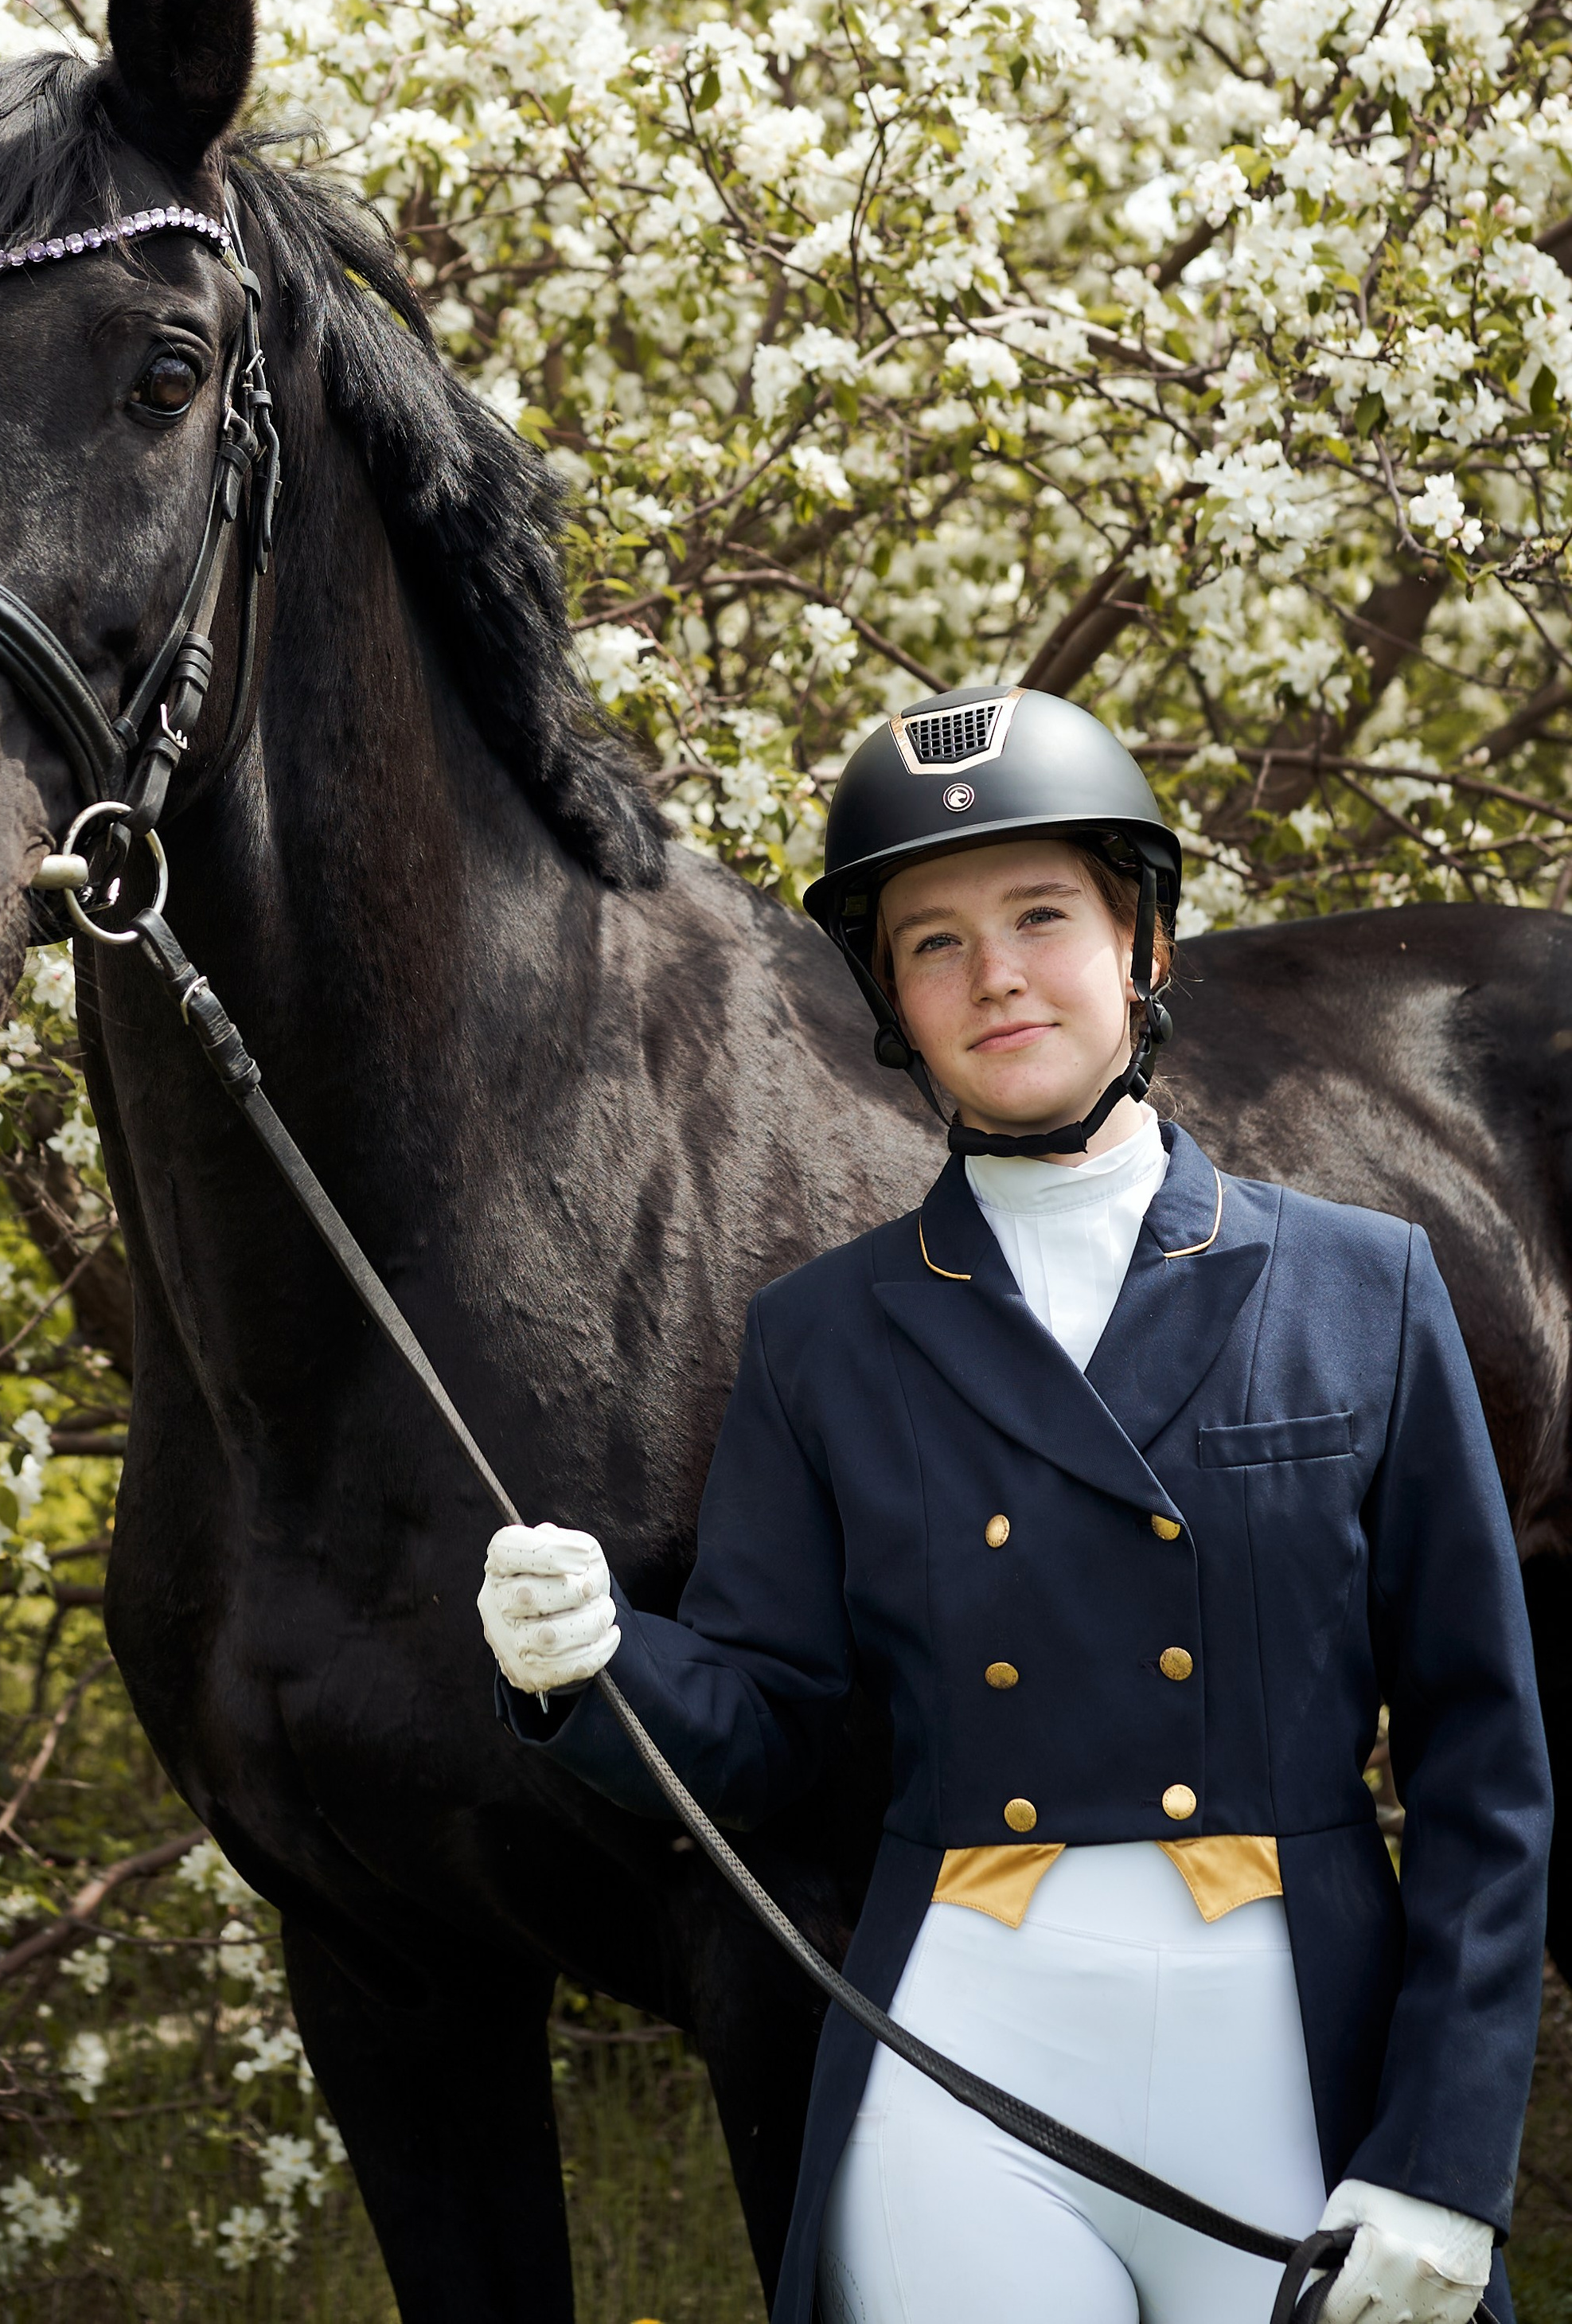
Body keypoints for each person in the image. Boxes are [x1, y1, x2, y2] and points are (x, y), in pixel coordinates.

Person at [479, 686, 1550, 2324]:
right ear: (890, 1007)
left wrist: (1446, 2163)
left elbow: (1481, 1765)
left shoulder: (1358, 1286)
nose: (991, 975)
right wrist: (593, 1666)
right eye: (930, 943)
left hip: (1278, 2048)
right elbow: (767, 1737)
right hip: (961, 2066)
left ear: (1140, 944)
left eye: (1039, 915)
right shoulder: (818, 1338)